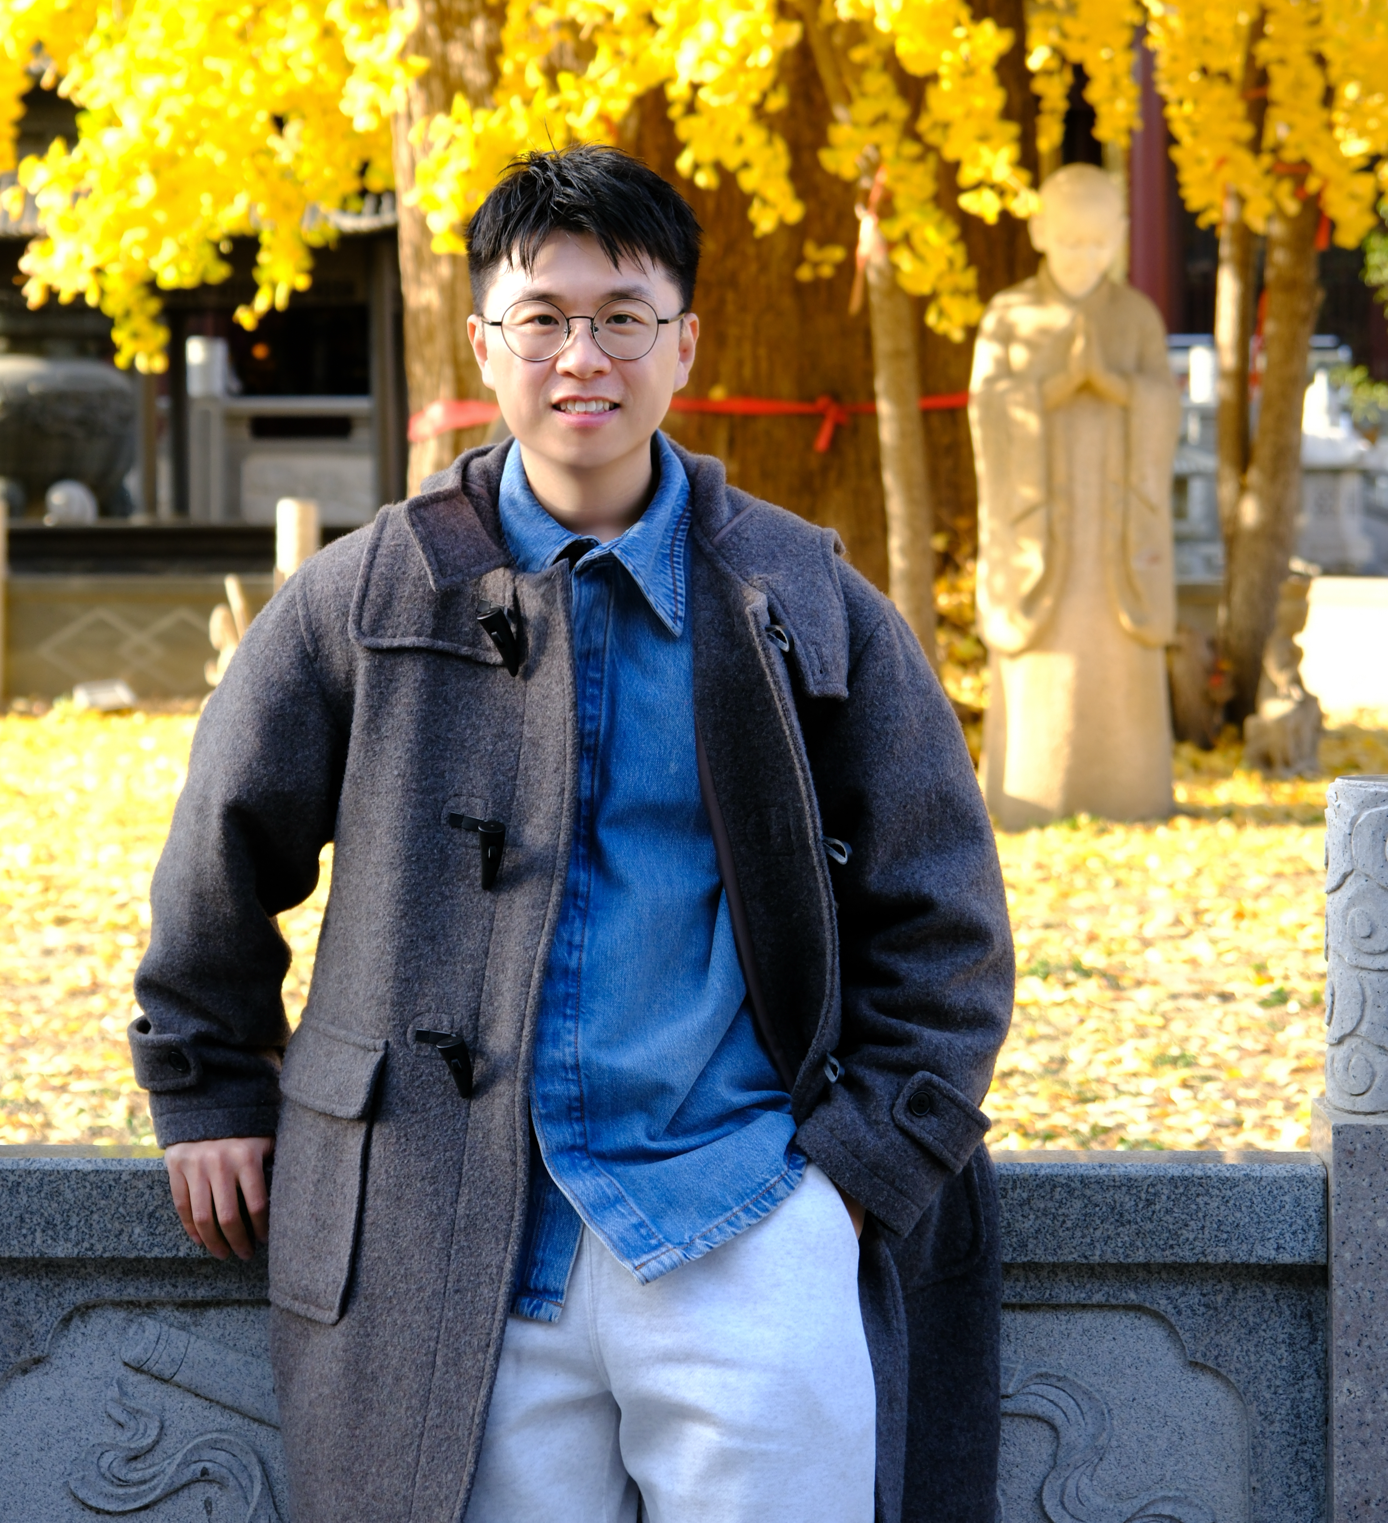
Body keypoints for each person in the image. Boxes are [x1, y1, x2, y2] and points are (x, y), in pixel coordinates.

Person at [132, 145, 1014, 1523]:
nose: (581, 355)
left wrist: (854, 1180)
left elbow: (945, 914)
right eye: (541, 317)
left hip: (746, 1215)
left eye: (622, 316)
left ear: (685, 345)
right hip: (440, 1236)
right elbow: (219, 854)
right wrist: (208, 1091)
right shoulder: (369, 593)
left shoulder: (801, 595)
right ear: (485, 341)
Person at [970, 161, 1180, 827]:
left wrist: (1117, 387)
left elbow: (1164, 405)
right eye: (1070, 241)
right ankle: (1030, 793)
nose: (1085, 256)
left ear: (1120, 234)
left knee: (1119, 658)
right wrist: (1055, 387)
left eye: (1098, 242)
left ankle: (1132, 791)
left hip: (1118, 530)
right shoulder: (1009, 316)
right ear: (1039, 232)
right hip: (1040, 529)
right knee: (1042, 662)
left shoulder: (1137, 316)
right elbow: (986, 407)